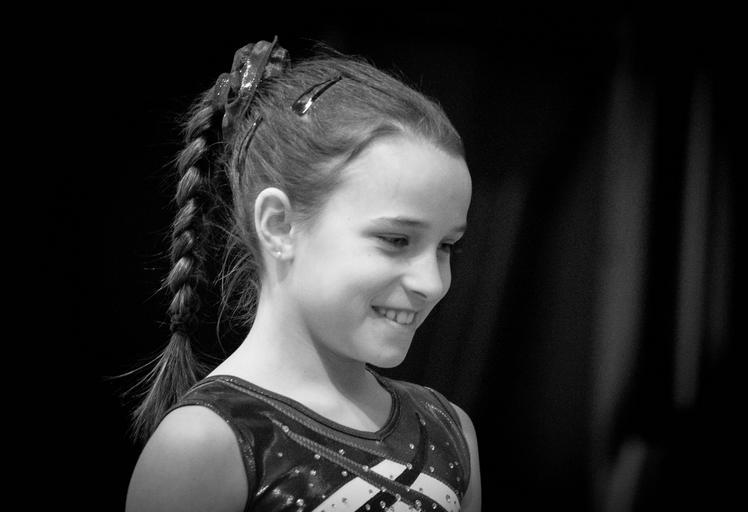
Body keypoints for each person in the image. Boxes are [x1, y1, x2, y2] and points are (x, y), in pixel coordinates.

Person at [125, 37, 481, 512]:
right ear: (279, 225)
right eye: (396, 240)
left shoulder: (449, 429)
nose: (431, 283)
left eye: (446, 247)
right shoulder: (207, 444)